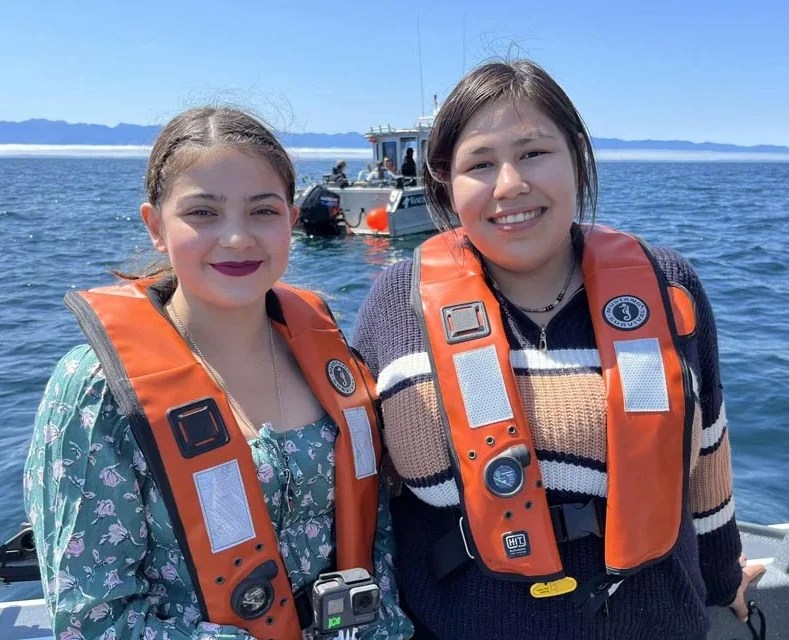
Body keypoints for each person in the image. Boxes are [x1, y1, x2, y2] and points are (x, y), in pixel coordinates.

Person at [351, 60, 764, 640]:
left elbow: (708, 454)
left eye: (533, 153)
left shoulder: (667, 284)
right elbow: (362, 486)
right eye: (479, 164)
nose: (510, 184)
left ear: (575, 156)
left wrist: (724, 582)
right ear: (445, 181)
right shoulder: (397, 303)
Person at [24, 107, 413, 640]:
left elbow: (377, 541)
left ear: (290, 223)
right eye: (203, 213)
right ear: (156, 227)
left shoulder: (332, 358)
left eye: (263, 211)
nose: (236, 238)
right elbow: (93, 617)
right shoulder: (96, 392)